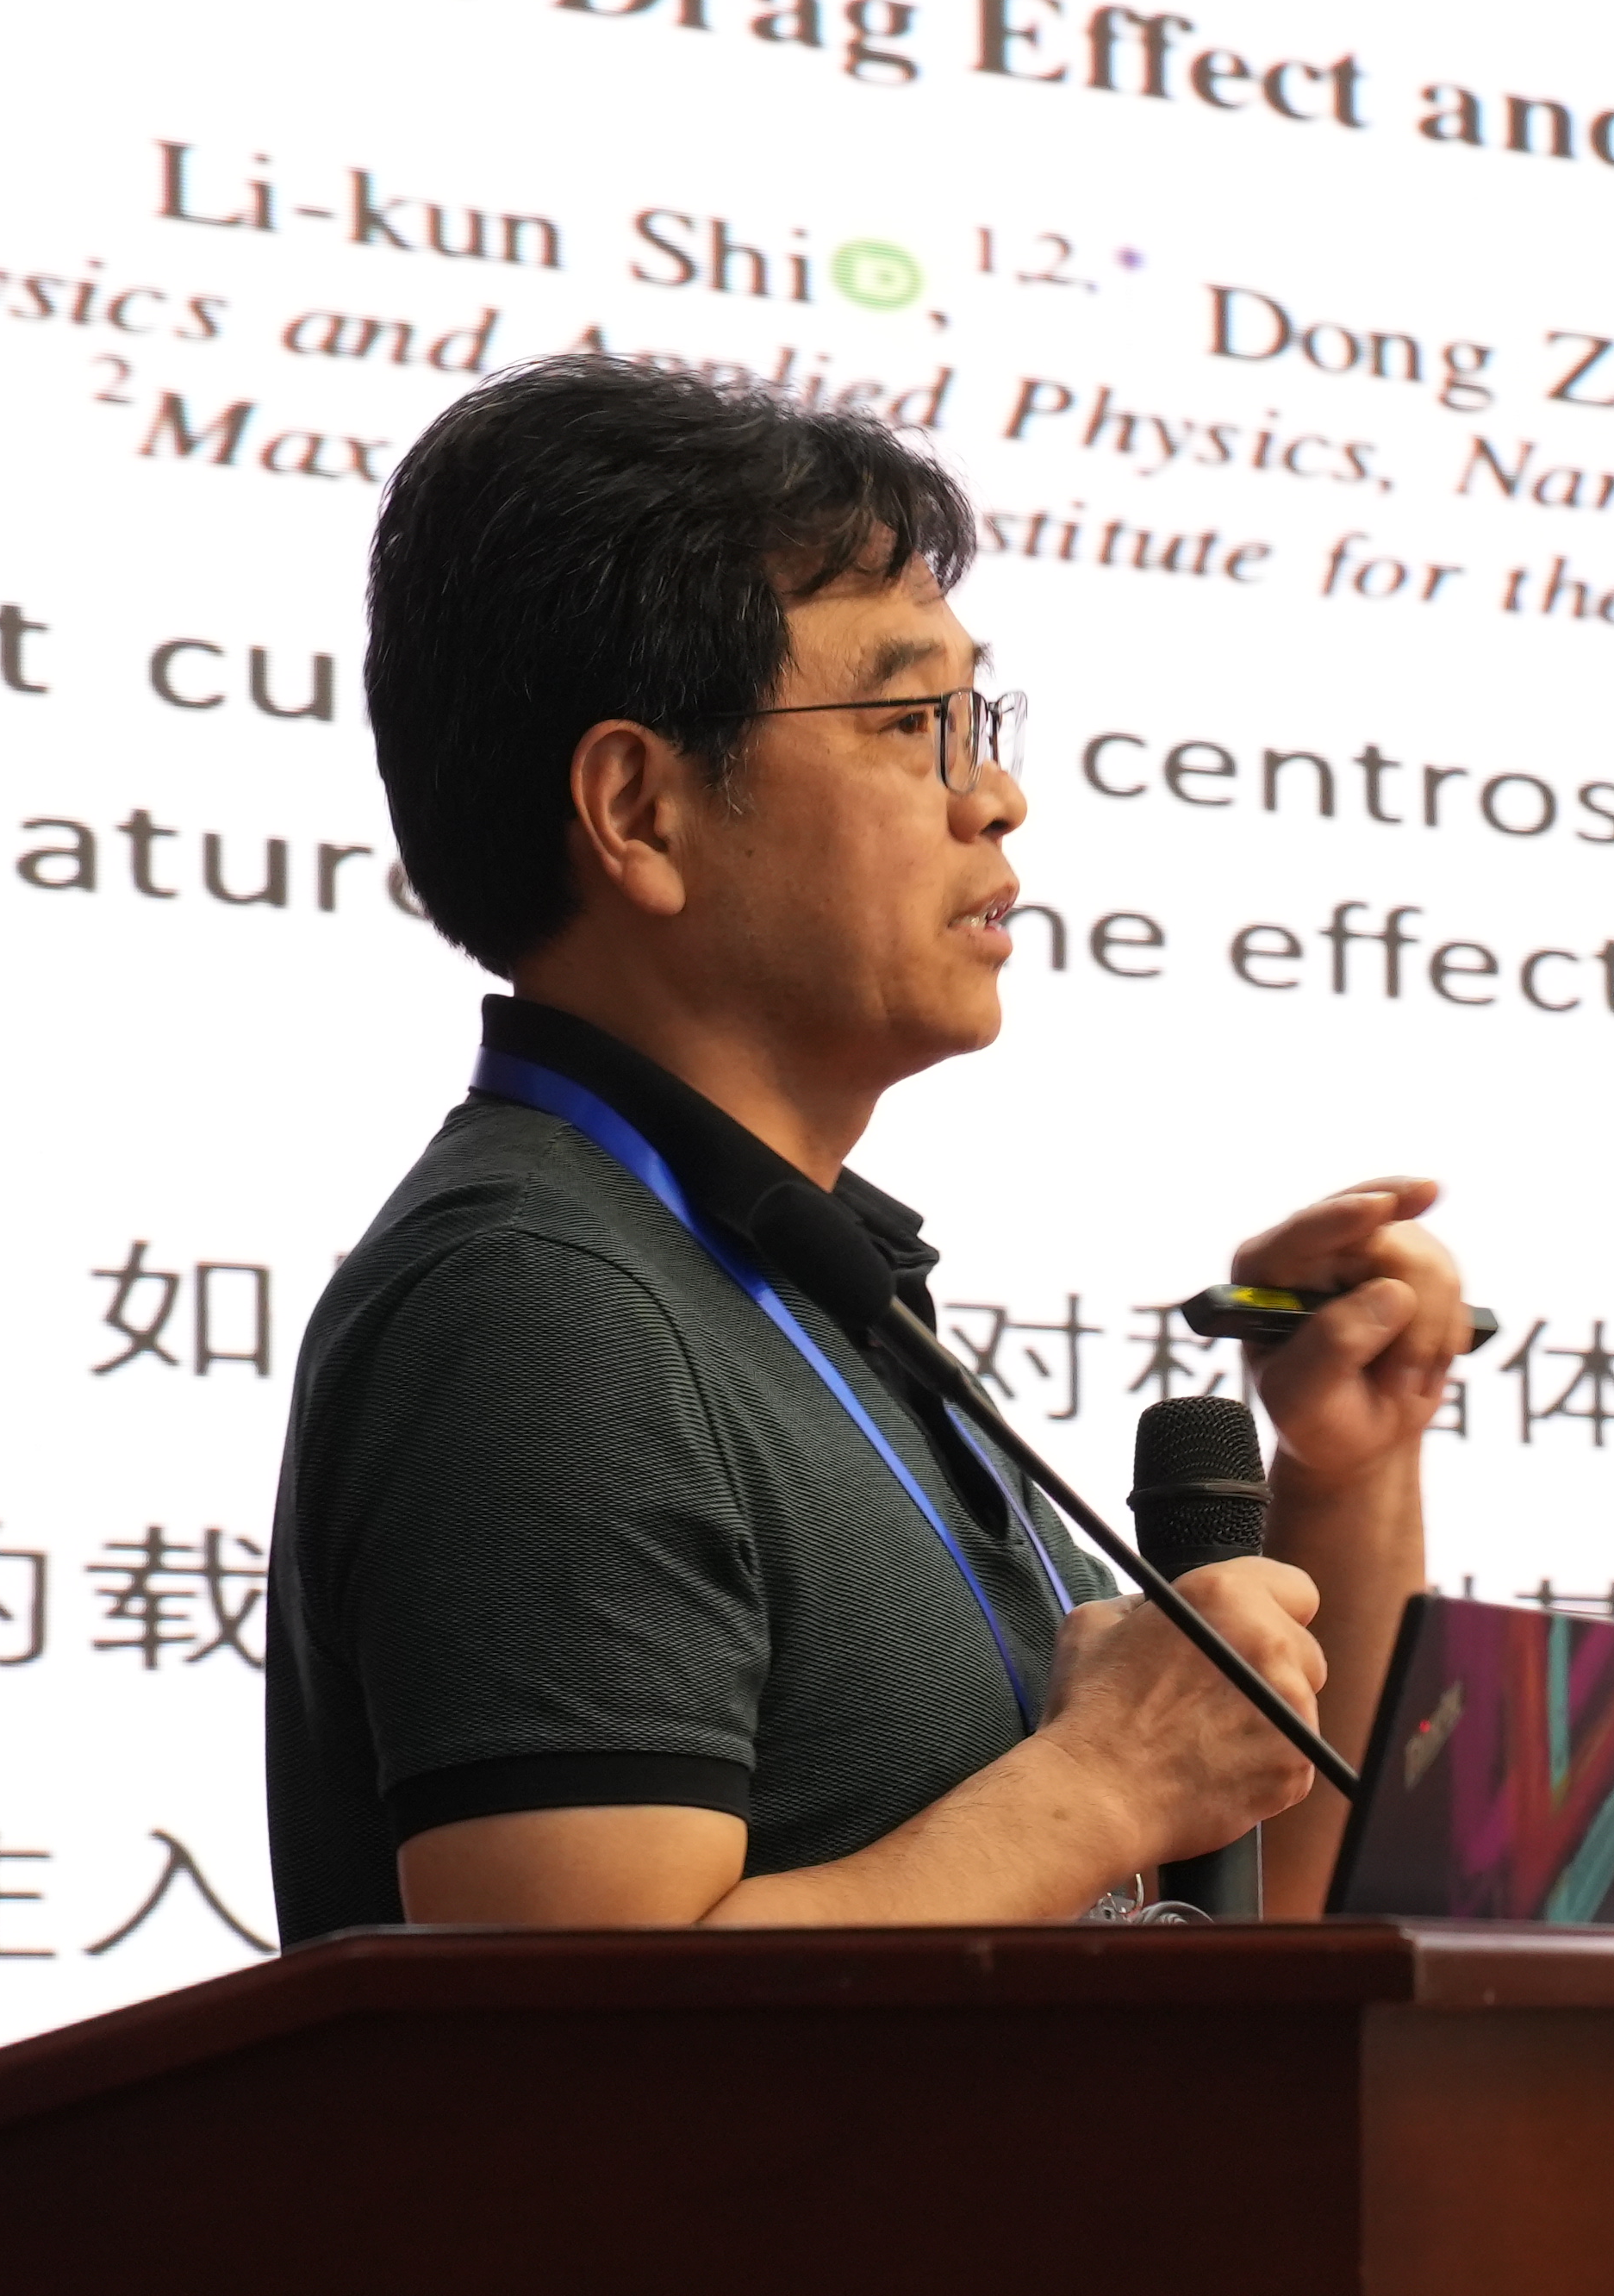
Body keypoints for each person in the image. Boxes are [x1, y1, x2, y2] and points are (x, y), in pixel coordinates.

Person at [263, 354, 1469, 1938]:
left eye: (978, 721)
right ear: (638, 809)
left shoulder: (797, 1288)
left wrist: (1347, 1471)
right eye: (911, 722)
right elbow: (568, 2024)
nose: (1000, 797)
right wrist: (1103, 1782)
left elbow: (1262, 1925)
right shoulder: (542, 1304)